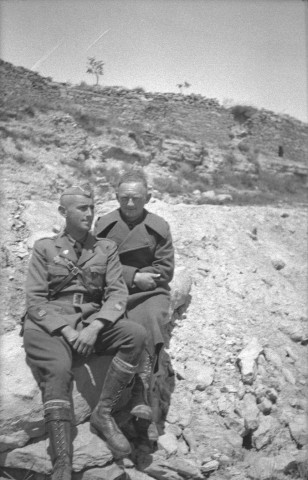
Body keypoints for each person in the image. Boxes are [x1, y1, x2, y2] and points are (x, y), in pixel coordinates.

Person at [23, 184, 147, 479]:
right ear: (63, 212)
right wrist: (67, 331)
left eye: (91, 208)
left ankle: (102, 414)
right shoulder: (45, 248)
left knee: (135, 334)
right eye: (82, 208)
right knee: (59, 370)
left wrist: (95, 327)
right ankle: (62, 461)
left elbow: (117, 295)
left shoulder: (105, 248)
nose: (89, 214)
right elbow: (35, 301)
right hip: (50, 324)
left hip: (92, 319)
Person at [94, 169, 174, 438]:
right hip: (114, 290)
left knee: (150, 323)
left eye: (136, 199)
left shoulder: (158, 227)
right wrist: (133, 275)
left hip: (150, 293)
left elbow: (165, 270)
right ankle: (113, 406)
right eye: (124, 198)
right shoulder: (103, 225)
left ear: (148, 198)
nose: (130, 204)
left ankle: (144, 397)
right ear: (116, 196)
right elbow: (96, 264)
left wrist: (143, 280)